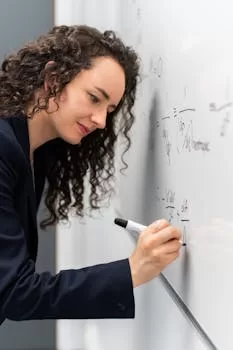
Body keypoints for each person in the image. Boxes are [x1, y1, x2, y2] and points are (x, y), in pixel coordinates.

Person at [0, 24, 181, 324]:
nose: (100, 121)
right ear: (53, 79)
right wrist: (132, 270)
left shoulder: (36, 151)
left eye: (109, 110)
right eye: (94, 98)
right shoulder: (4, 149)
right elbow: (15, 294)